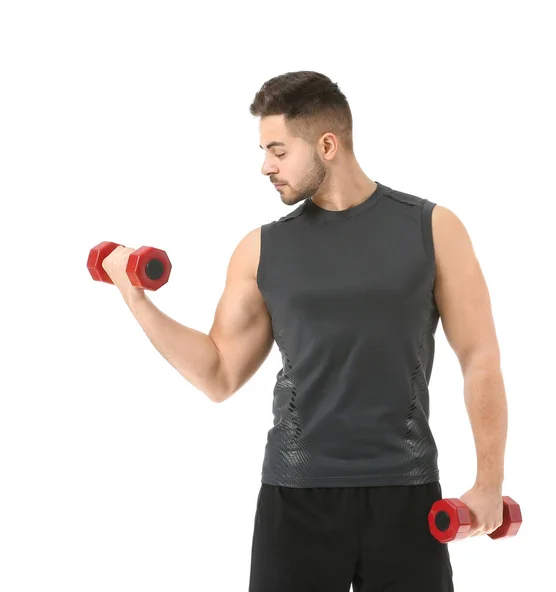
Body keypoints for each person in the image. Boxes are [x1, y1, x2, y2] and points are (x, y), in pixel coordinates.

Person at [101, 71, 508, 592]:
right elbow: (219, 375)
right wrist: (135, 300)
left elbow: (480, 356)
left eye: (277, 150)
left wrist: (489, 480)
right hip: (295, 499)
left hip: (406, 495)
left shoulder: (431, 228)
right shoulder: (262, 250)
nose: (265, 166)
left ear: (327, 145)